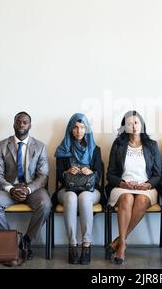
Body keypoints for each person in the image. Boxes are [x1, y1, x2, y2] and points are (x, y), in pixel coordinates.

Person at [0, 111, 51, 260]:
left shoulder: (40, 146)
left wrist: (28, 189)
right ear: (13, 124)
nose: (21, 125)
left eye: (25, 122)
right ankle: (10, 244)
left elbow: (43, 176)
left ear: (30, 125)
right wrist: (10, 188)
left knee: (46, 204)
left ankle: (26, 242)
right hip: (9, 189)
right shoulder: (2, 145)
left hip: (32, 189)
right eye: (18, 122)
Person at [106, 111, 162, 264]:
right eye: (129, 123)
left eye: (136, 123)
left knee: (142, 201)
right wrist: (122, 183)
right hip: (123, 187)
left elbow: (158, 174)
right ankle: (123, 244)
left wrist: (148, 184)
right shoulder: (118, 145)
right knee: (127, 198)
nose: (134, 126)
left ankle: (119, 241)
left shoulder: (152, 145)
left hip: (146, 188)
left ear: (142, 124)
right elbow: (110, 174)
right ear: (125, 127)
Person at [54, 113, 102, 265]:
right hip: (68, 189)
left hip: (91, 190)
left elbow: (99, 173)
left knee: (85, 197)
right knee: (71, 197)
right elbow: (59, 176)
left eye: (82, 127)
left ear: (86, 129)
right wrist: (67, 172)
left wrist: (92, 173)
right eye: (75, 127)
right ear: (70, 129)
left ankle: (86, 245)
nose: (79, 131)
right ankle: (73, 245)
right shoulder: (63, 149)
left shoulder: (95, 149)